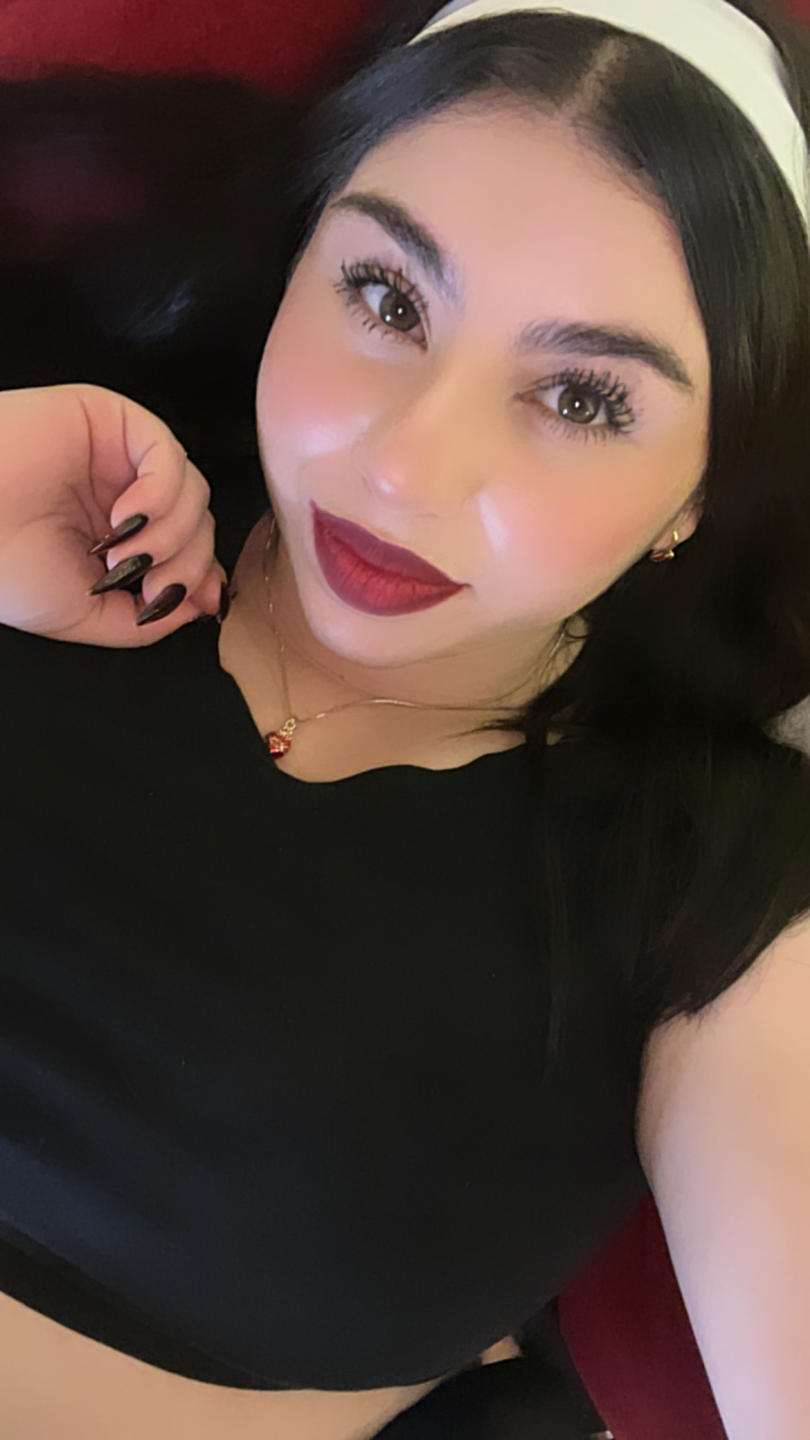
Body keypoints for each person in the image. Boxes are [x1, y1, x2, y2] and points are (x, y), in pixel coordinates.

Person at [1, 0, 810, 1436]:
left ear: (701, 485)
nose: (406, 469)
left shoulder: (709, 875)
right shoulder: (58, 483)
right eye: (385, 299)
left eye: (582, 396)